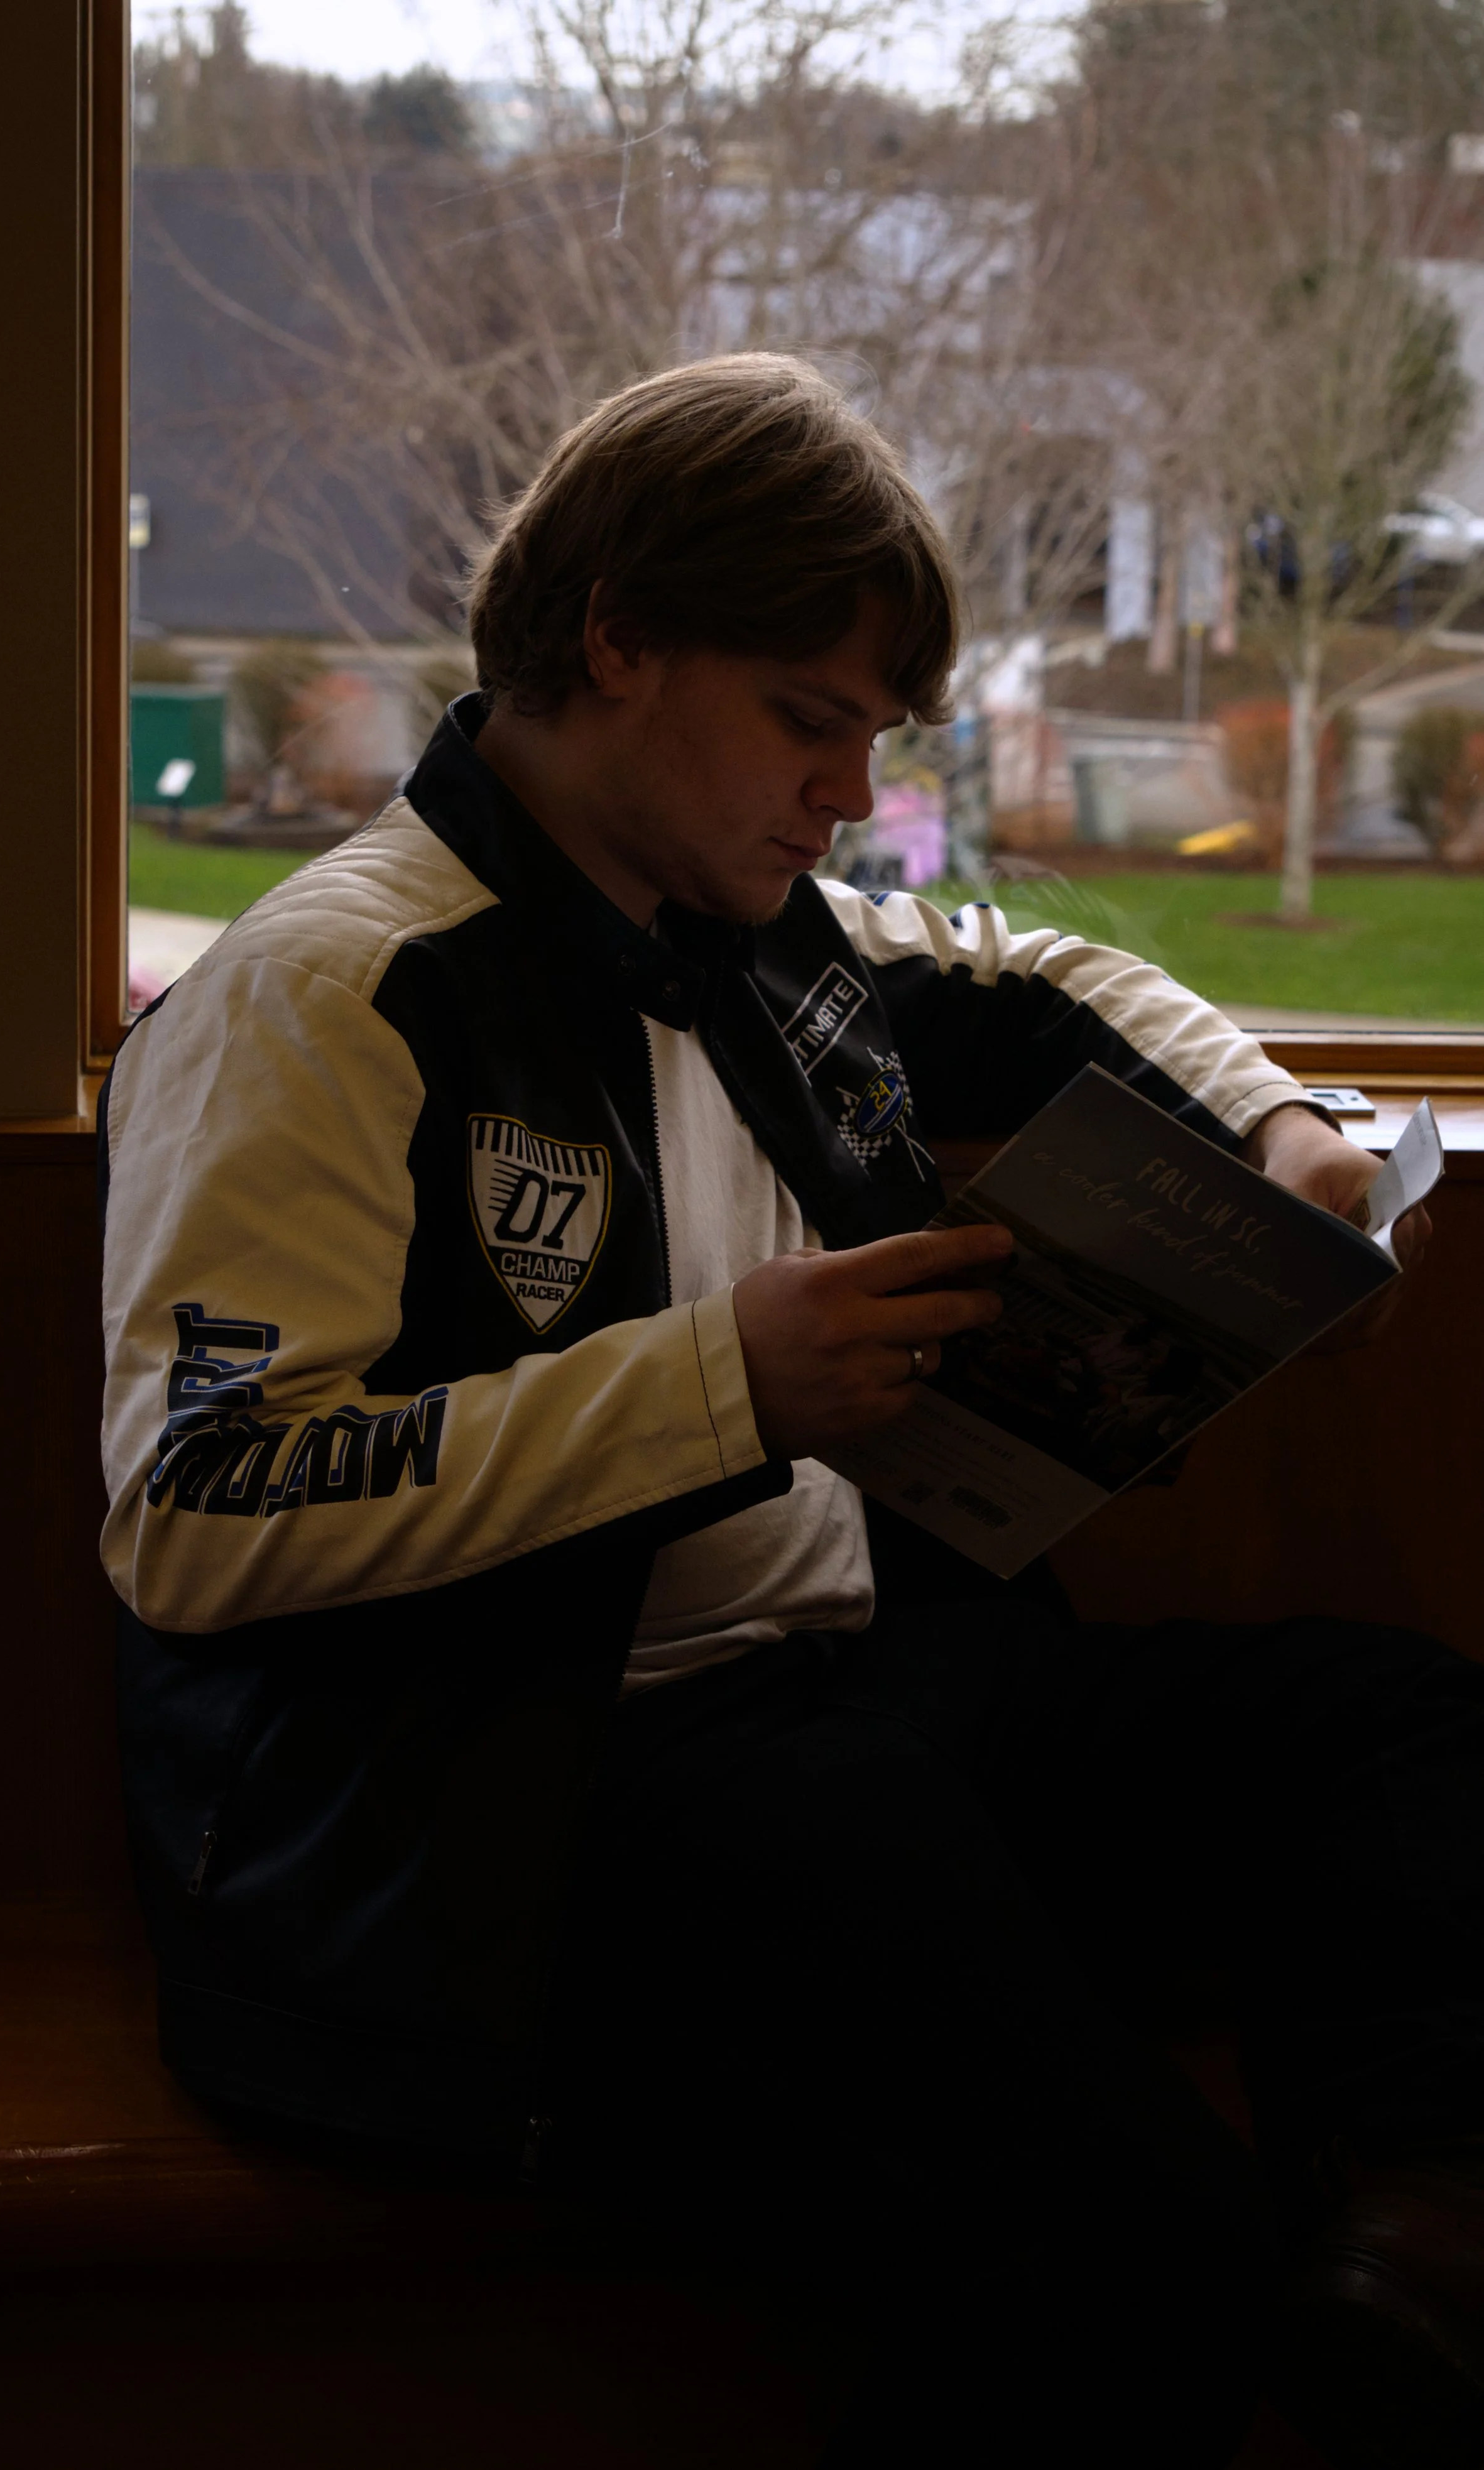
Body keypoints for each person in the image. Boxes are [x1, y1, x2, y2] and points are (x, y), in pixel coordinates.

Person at [101, 354, 1481, 2469]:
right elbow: (197, 1508)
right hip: (530, 1793)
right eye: (807, 720)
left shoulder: (756, 926)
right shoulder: (332, 990)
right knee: (1116, 2221)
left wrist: (1281, 1128)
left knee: (1393, 1732)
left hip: (852, 1686)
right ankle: (1243, 2282)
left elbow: (1046, 981)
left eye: (870, 740)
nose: (847, 795)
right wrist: (720, 1383)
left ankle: (1404, 2266)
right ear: (618, 639)